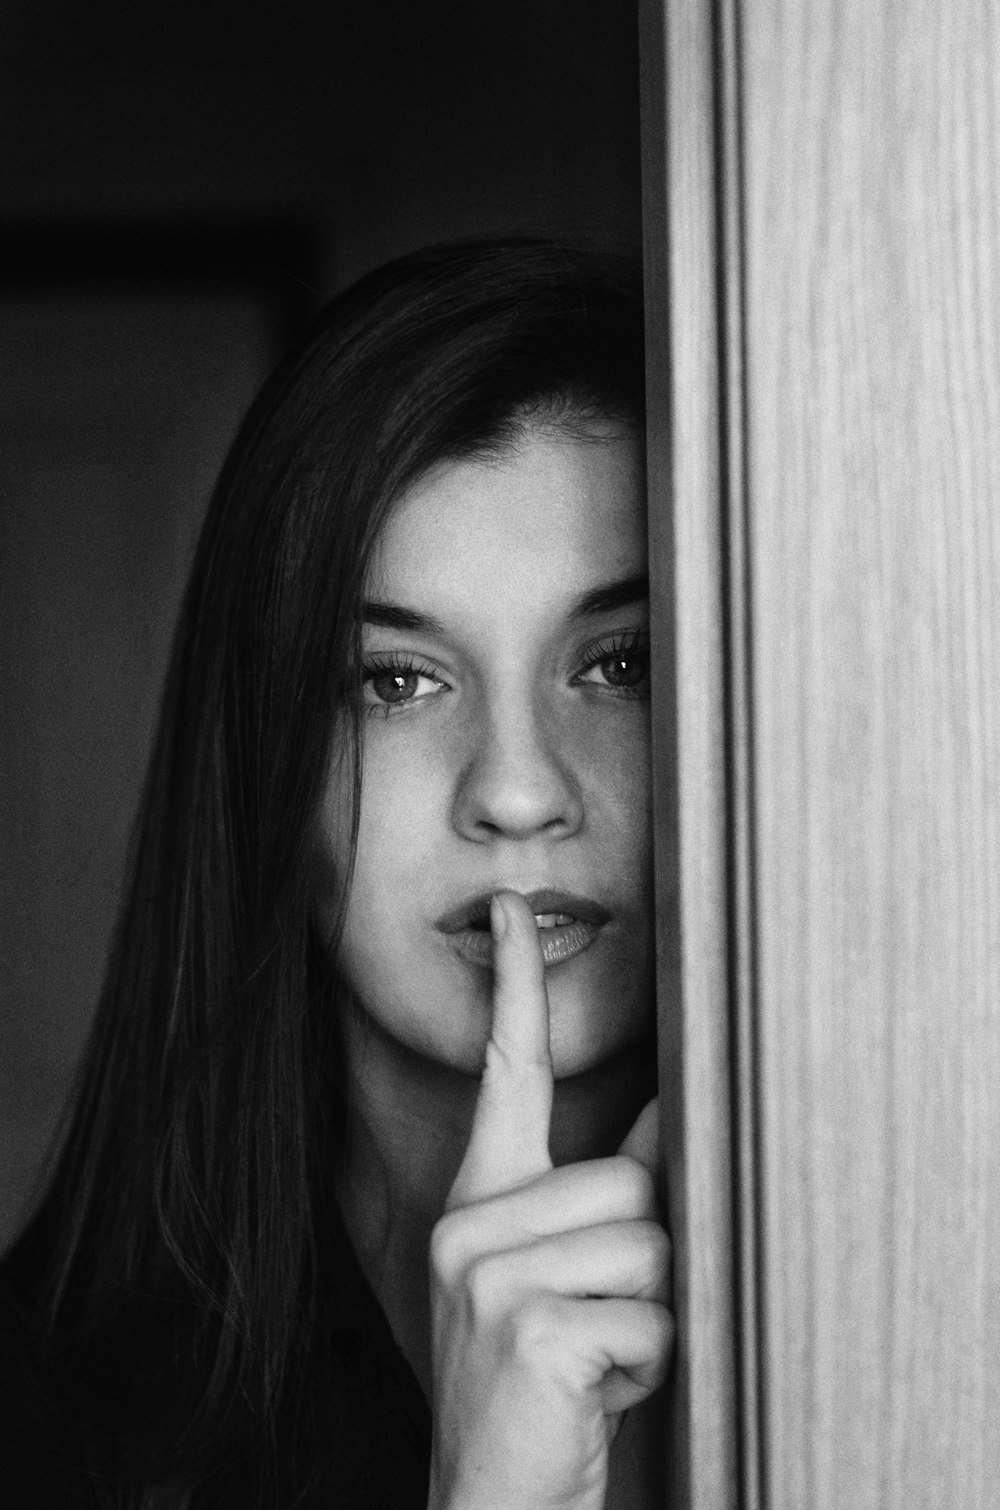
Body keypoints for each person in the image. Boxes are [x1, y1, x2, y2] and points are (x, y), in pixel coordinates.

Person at [0, 238, 673, 1509]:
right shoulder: (42, 1417)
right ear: (265, 772)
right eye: (397, 682)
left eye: (618, 665)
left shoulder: (895, 1327)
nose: (520, 789)